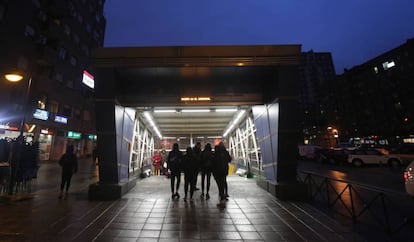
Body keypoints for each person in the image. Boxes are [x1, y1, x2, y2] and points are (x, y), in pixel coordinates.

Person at [212, 142, 231, 208]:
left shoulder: (216, 154)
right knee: (224, 182)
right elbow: (229, 159)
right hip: (224, 170)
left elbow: (213, 164)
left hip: (217, 172)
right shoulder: (225, 153)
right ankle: (225, 194)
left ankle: (222, 197)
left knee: (220, 184)